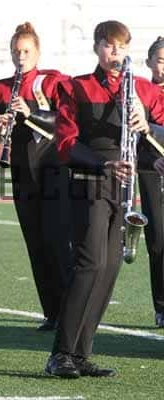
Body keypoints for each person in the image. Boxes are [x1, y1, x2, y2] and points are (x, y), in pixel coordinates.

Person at [46, 20, 164, 378]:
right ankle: (61, 353)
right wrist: (104, 163)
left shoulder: (142, 89)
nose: (116, 54)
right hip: (90, 181)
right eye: (110, 46)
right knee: (90, 264)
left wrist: (149, 128)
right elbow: (66, 143)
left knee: (109, 269)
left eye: (122, 47)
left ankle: (81, 354)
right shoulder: (76, 87)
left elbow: (157, 134)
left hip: (124, 188)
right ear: (98, 47)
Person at [0, 22, 73, 331]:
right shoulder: (2, 88)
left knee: (59, 241)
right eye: (16, 51)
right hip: (22, 170)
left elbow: (66, 123)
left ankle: (72, 313)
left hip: (54, 169)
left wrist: (31, 113)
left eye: (27, 51)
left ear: (37, 52)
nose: (21, 57)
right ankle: (52, 312)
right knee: (37, 242)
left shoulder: (54, 81)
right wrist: (0, 127)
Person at [139, 36, 164, 328]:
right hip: (151, 171)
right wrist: (150, 161)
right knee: (158, 241)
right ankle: (161, 306)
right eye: (159, 60)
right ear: (148, 63)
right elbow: (133, 139)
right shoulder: (140, 93)